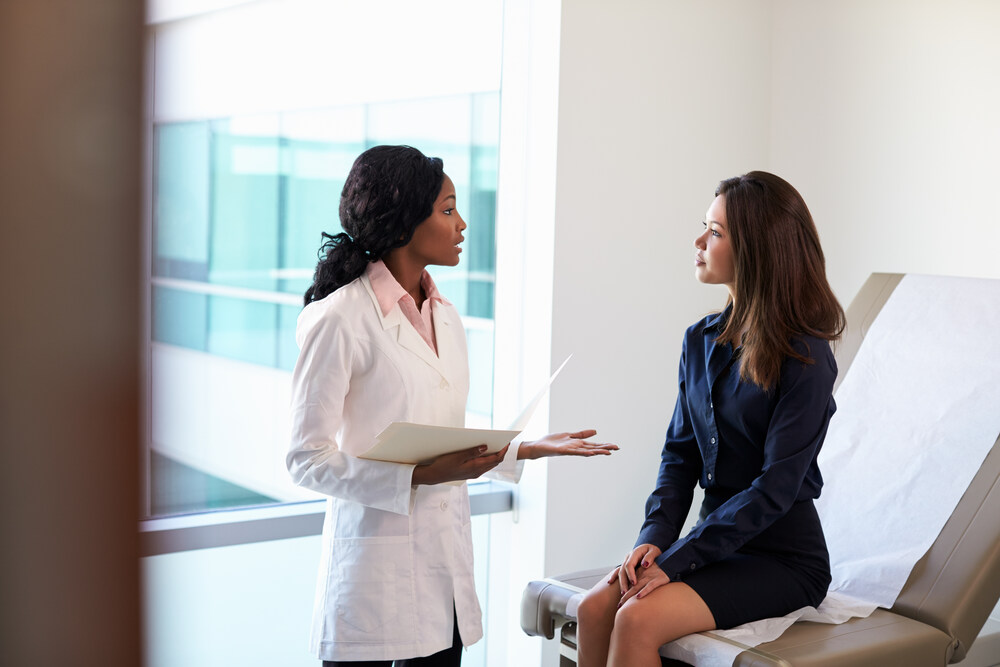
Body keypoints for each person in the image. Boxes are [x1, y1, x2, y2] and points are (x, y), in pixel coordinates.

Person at [287, 145, 617, 666]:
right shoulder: (340, 318)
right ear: (402, 221)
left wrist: (525, 449)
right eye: (447, 209)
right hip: (372, 583)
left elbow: (443, 443)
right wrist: (415, 477)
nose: (462, 223)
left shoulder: (446, 316)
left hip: (443, 583)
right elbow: (307, 459)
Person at [574, 171, 845, 667]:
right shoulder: (700, 340)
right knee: (595, 608)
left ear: (757, 250)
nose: (698, 241)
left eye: (715, 232)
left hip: (783, 559)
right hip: (713, 545)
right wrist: (654, 541)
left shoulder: (806, 356)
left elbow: (775, 488)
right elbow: (678, 456)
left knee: (635, 617)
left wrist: (678, 561)